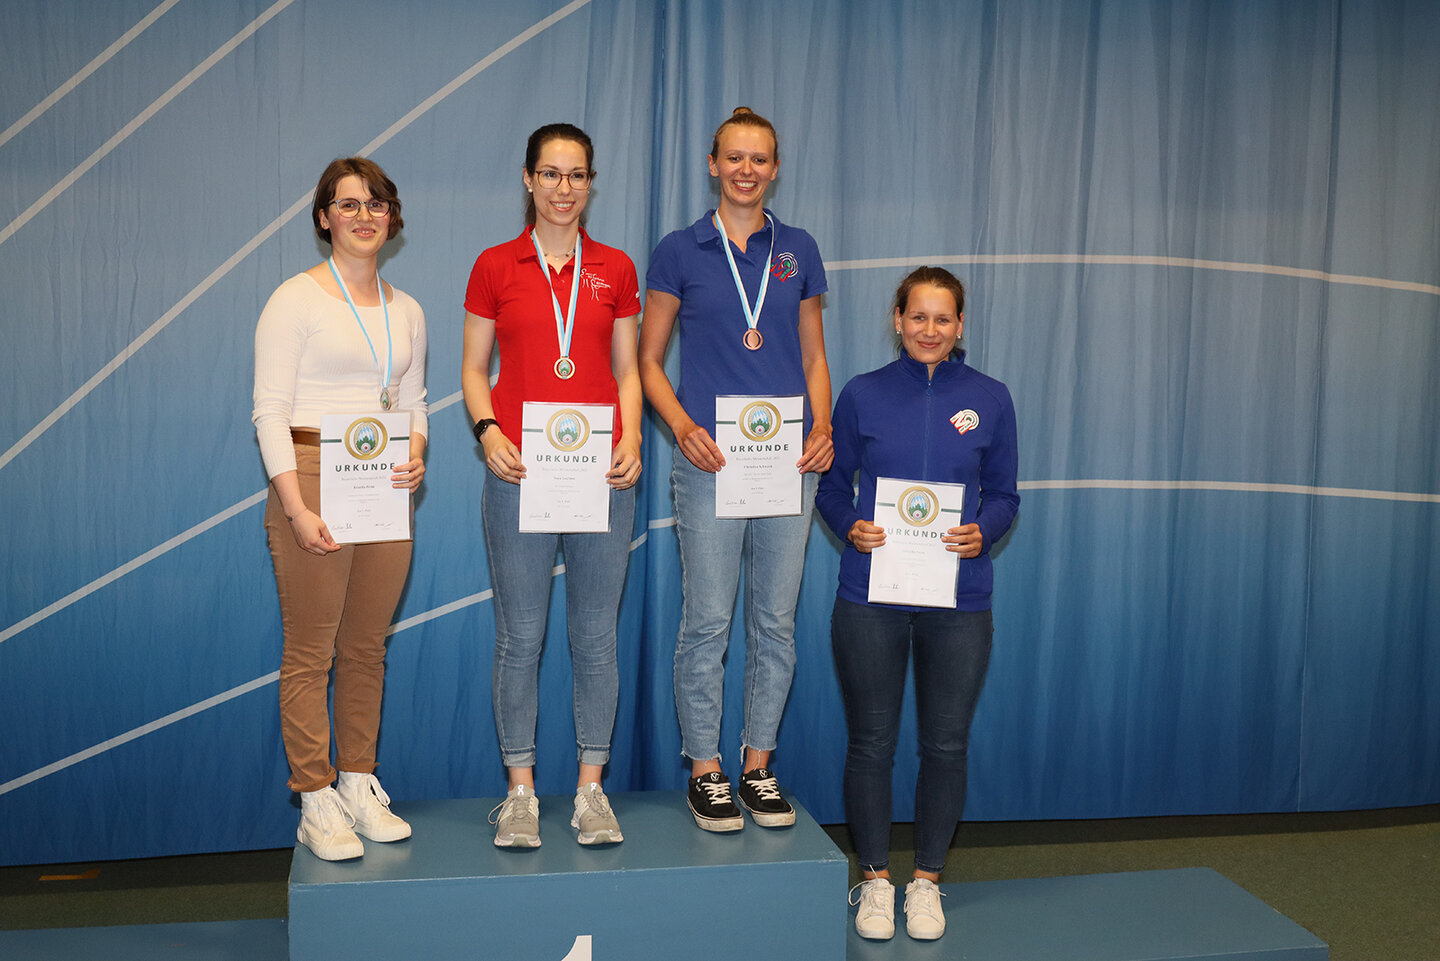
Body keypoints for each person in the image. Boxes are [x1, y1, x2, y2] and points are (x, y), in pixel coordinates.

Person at [639, 107, 833, 832]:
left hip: (788, 462)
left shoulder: (799, 249)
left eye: (760, 159)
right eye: (734, 158)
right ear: (713, 164)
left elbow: (814, 356)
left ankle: (757, 766)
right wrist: (682, 426)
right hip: (711, 461)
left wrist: (823, 428)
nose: (746, 170)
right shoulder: (679, 250)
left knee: (775, 623)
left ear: (775, 169)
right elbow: (647, 361)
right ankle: (706, 770)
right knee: (708, 622)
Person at [816, 266, 1018, 940]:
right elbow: (831, 488)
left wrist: (983, 530)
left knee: (946, 743)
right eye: (918, 316)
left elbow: (1005, 494)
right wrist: (851, 525)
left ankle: (926, 881)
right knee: (871, 742)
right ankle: (875, 880)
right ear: (898, 320)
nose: (929, 329)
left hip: (959, 598)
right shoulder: (862, 393)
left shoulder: (990, 398)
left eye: (943, 318)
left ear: (960, 326)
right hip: (870, 594)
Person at [462, 123, 642, 848]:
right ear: (529, 179)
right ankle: (521, 793)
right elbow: (474, 368)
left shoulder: (616, 268)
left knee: (596, 638)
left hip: (602, 474)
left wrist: (631, 438)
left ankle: (591, 791)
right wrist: (488, 432)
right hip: (519, 473)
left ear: (591, 182)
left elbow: (628, 370)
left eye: (577, 175)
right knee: (521, 638)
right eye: (551, 173)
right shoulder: (494, 265)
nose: (564, 188)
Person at [253, 157, 427, 861]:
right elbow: (269, 411)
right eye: (348, 204)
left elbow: (414, 402)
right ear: (324, 217)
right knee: (310, 651)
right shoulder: (294, 300)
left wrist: (416, 453)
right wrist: (295, 507)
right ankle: (315, 797)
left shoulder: (407, 309)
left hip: (383, 480)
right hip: (311, 478)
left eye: (376, 203)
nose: (364, 216)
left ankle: (357, 780)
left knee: (365, 648)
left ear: (392, 217)